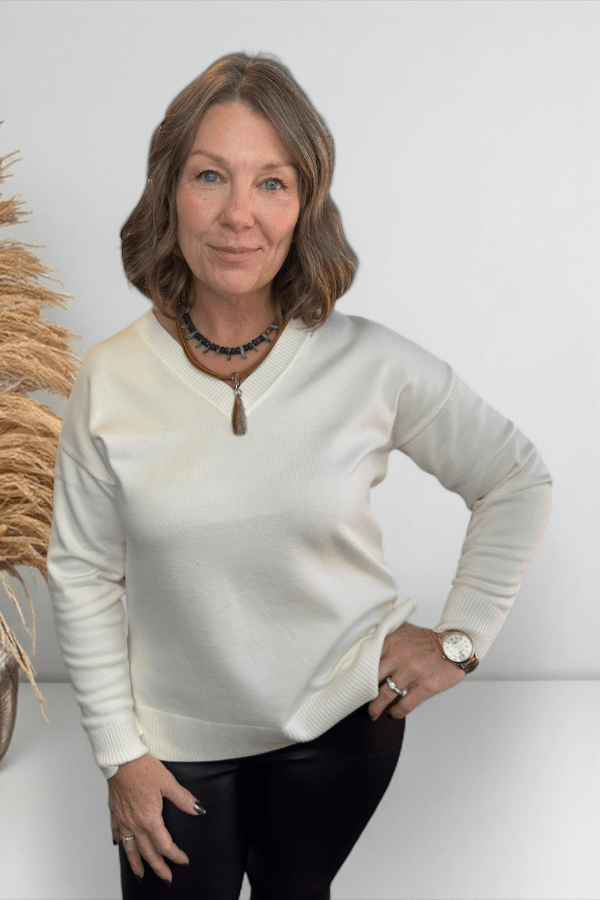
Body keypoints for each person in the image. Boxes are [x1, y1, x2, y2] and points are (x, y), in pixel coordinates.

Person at [46, 52, 553, 900]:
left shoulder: (372, 364)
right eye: (211, 176)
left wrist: (462, 640)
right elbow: (84, 573)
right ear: (170, 192)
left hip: (342, 726)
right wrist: (119, 754)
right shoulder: (111, 378)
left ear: (305, 203)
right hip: (172, 746)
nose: (239, 215)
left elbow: (515, 476)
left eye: (272, 183)